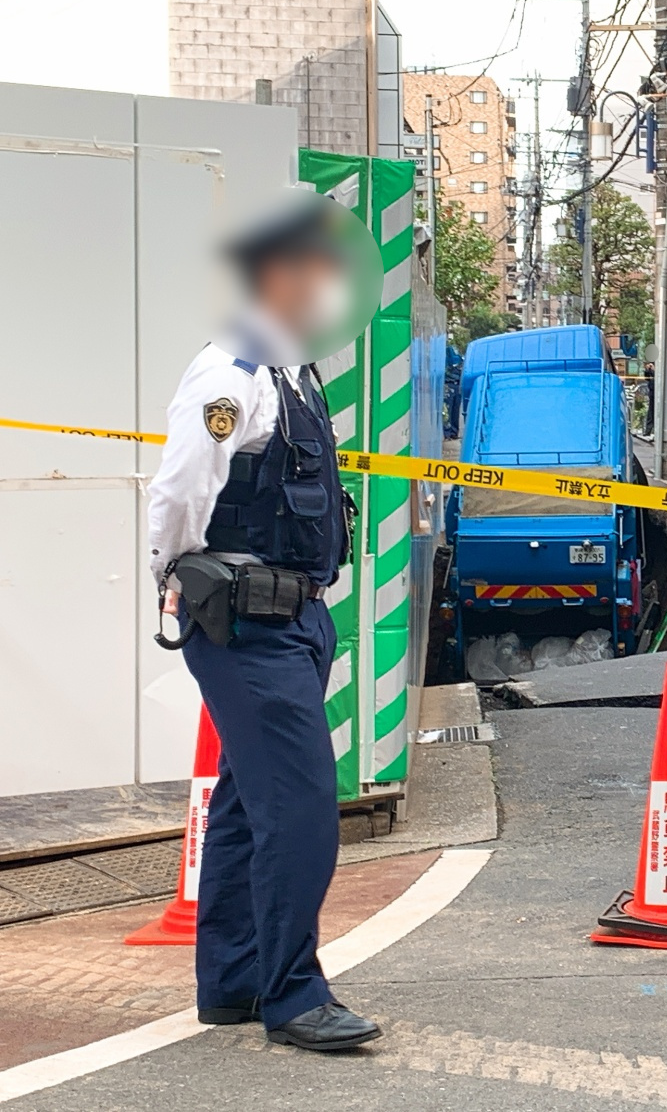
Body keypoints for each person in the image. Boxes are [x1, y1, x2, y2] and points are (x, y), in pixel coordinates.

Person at [147, 193, 381, 1051]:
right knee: (301, 806)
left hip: (293, 623)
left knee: (250, 807)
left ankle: (235, 982)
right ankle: (293, 994)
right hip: (246, 628)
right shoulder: (232, 372)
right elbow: (178, 490)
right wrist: (168, 575)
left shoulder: (290, 370)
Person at [640, 361, 655, 440]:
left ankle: (653, 430)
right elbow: (647, 378)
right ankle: (648, 430)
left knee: (654, 411)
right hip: (652, 391)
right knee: (651, 411)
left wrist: (654, 370)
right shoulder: (651, 369)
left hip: (657, 391)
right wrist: (647, 370)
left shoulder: (660, 367)